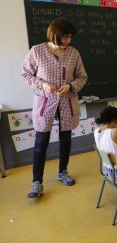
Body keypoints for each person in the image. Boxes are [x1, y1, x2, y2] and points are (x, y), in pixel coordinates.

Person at [21, 18, 88, 198]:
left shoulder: (74, 53)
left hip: (67, 101)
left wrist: (70, 86)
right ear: (55, 34)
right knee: (40, 142)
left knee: (65, 139)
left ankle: (63, 172)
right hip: (45, 103)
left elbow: (82, 76)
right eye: (65, 37)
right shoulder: (36, 51)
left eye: (70, 37)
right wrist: (41, 85)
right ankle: (37, 182)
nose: (68, 41)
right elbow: (25, 74)